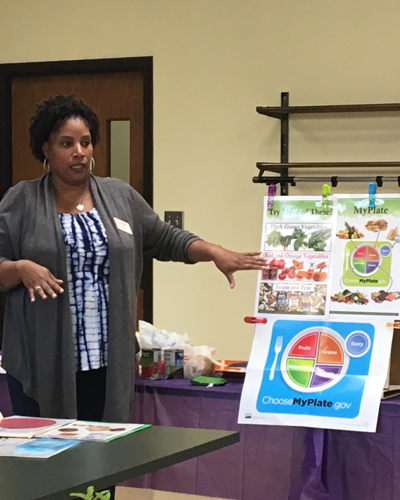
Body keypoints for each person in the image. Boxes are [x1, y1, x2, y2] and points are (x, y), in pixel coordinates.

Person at [0, 94, 265, 498]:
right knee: (48, 475)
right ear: (46, 149)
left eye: (86, 142)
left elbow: (164, 238)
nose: (79, 153)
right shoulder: (20, 201)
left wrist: (211, 251)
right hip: (43, 362)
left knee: (99, 467)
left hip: (106, 362)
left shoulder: (119, 196)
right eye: (66, 143)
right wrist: (19, 268)